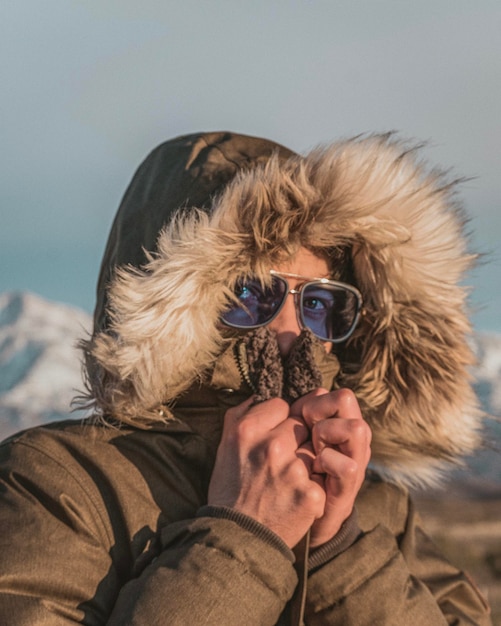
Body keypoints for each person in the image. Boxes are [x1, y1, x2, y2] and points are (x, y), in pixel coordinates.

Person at [0, 131, 492, 625]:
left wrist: (339, 554)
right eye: (252, 293)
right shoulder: (55, 485)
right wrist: (245, 538)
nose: (290, 327)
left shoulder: (378, 510)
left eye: (318, 303)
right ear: (170, 301)